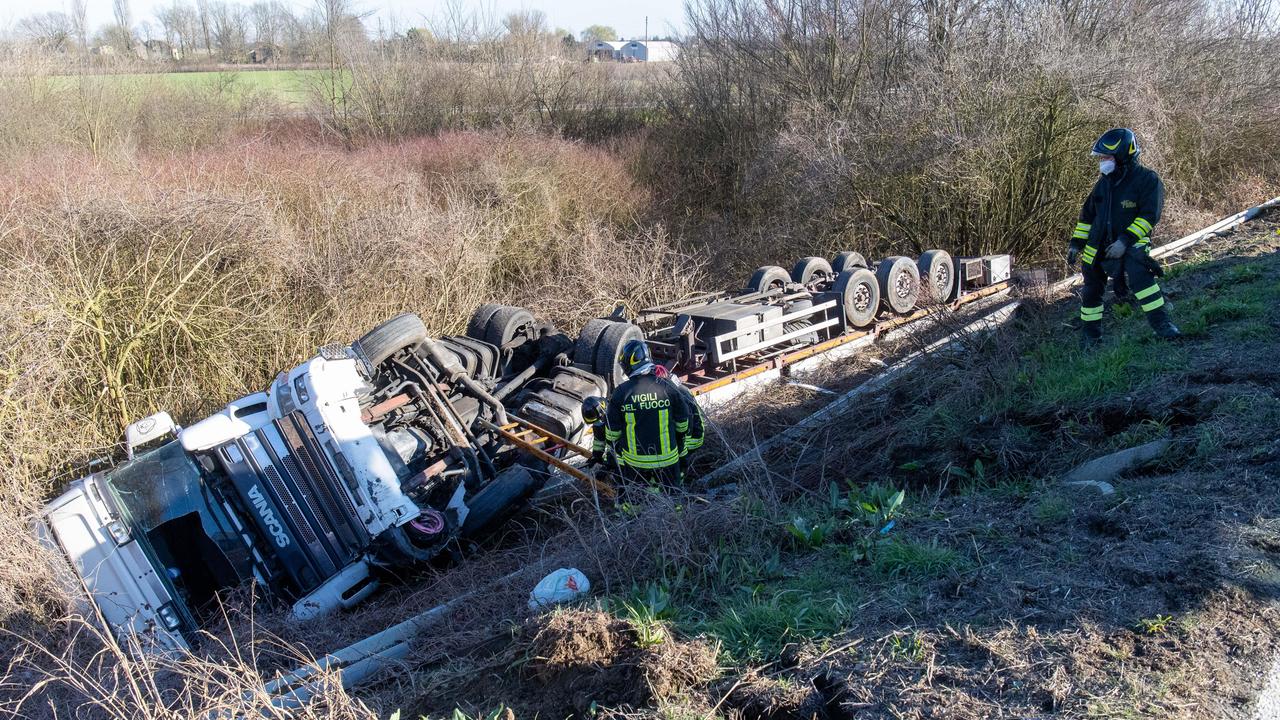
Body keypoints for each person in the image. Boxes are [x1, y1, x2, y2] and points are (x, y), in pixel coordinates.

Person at [1068, 128, 1180, 346]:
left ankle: (1163, 325)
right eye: (1100, 158)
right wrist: (1075, 244)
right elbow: (1086, 217)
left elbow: (1149, 217)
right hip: (1097, 246)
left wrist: (1124, 241)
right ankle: (1091, 338)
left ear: (1121, 155)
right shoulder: (1102, 185)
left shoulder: (1147, 180)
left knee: (1141, 279)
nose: (1102, 162)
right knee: (1091, 292)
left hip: (1131, 244)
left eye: (1106, 157)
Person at [604, 339, 689, 488]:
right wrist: (678, 440)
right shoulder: (668, 386)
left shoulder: (621, 392)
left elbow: (612, 433)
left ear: (628, 363)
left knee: (634, 501)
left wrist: (615, 451)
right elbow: (683, 422)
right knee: (674, 498)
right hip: (668, 459)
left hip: (635, 462)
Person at [580, 396, 612, 471]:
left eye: (596, 421)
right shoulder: (599, 421)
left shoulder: (614, 419)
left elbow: (616, 447)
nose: (596, 424)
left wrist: (609, 464)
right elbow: (599, 441)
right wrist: (596, 456)